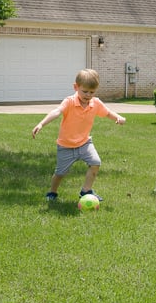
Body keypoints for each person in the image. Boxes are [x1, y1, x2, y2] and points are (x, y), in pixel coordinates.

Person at [32, 68, 125, 202]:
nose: (88, 95)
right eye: (85, 91)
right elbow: (57, 112)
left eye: (92, 92)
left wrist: (118, 117)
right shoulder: (69, 101)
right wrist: (41, 124)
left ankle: (85, 191)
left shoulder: (95, 103)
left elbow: (108, 112)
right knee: (60, 173)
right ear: (76, 87)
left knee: (95, 162)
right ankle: (52, 193)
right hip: (66, 146)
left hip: (84, 143)